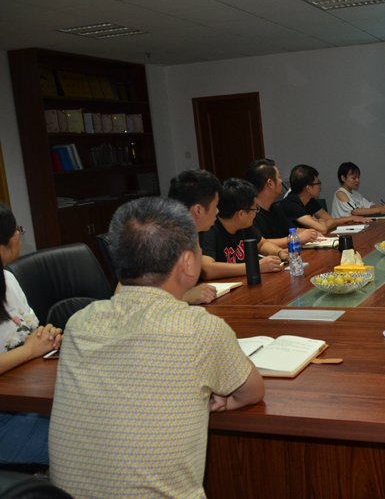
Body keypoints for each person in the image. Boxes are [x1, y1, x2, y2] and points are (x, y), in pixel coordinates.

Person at [49, 197, 265, 498]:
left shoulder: (79, 323)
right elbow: (252, 391)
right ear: (188, 263)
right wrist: (226, 402)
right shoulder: (198, 329)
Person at [0, 203, 62, 468]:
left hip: (27, 401)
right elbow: (28, 348)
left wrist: (46, 337)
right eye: (16, 231)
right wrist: (28, 350)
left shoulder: (7, 279)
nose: (18, 236)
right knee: (92, 440)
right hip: (7, 418)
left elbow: (32, 332)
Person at [199, 178, 286, 280]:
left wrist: (280, 252)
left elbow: (262, 244)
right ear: (241, 214)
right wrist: (254, 267)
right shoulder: (209, 230)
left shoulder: (244, 225)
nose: (256, 213)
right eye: (255, 209)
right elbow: (207, 270)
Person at [158, 168, 222, 304]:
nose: (217, 211)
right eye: (215, 206)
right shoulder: (154, 238)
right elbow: (126, 301)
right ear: (198, 210)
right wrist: (184, 298)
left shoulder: (193, 233)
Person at [245, 159, 320, 247]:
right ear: (270, 183)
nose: (281, 181)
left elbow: (295, 230)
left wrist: (311, 233)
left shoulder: (274, 209)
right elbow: (260, 244)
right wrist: (297, 238)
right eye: (278, 177)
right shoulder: (250, 213)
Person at [278, 164, 369, 234]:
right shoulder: (291, 203)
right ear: (308, 188)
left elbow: (331, 220)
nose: (319, 186)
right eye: (317, 183)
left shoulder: (309, 200)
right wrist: (321, 221)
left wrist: (320, 223)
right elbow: (322, 229)